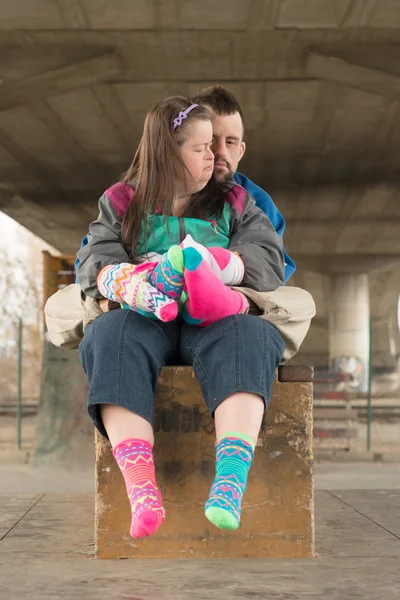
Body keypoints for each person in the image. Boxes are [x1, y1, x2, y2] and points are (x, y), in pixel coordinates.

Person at [77, 96, 286, 541]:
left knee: (251, 334)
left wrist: (221, 265)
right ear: (168, 153)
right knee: (108, 335)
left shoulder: (234, 199)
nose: (215, 156)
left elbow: (269, 258)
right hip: (147, 312)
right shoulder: (121, 200)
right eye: (202, 147)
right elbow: (93, 261)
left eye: (218, 145)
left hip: (213, 316)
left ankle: (230, 482)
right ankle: (141, 489)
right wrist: (134, 278)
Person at [74, 86, 295, 288]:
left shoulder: (250, 202)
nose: (218, 153)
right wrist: (133, 286)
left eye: (230, 142)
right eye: (207, 142)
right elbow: (94, 260)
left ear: (241, 150)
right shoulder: (127, 198)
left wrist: (217, 272)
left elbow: (270, 266)